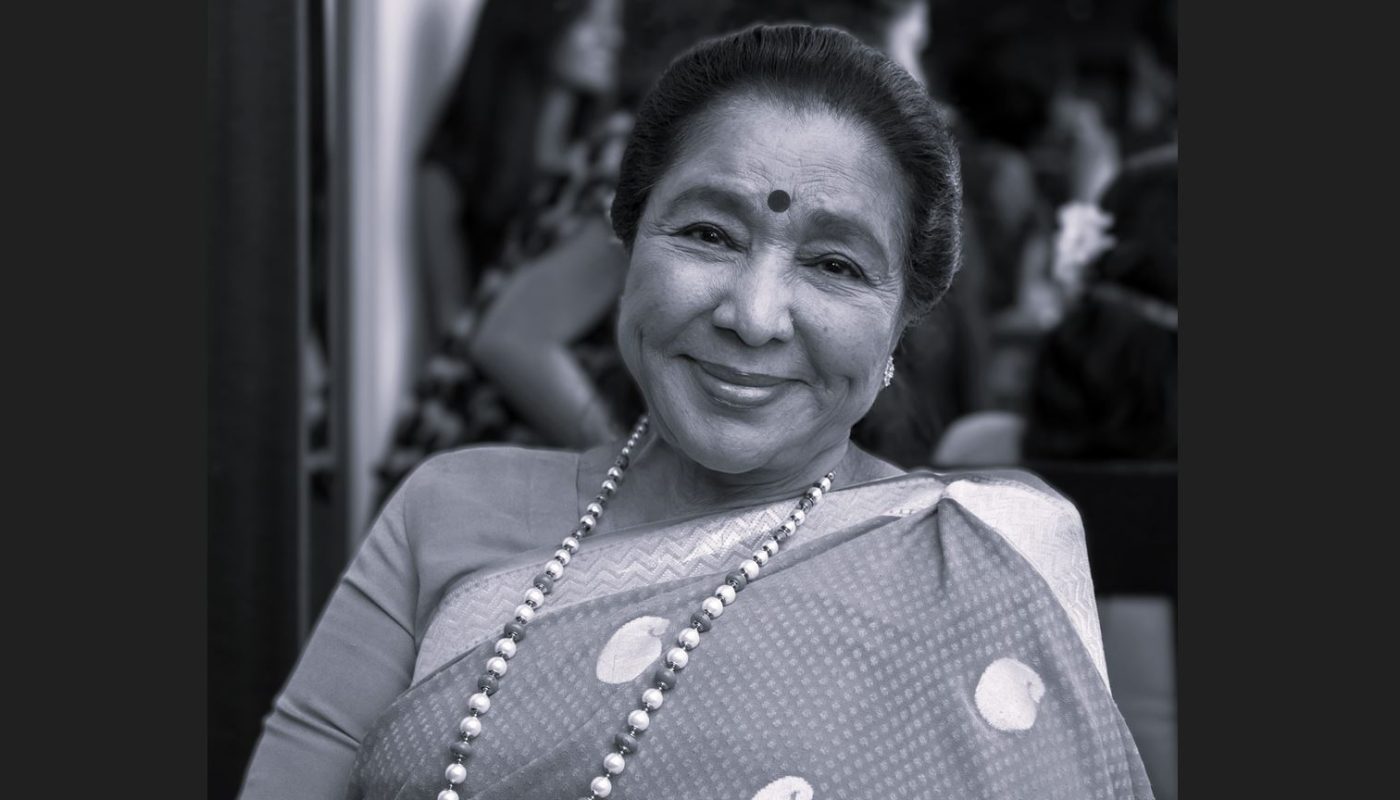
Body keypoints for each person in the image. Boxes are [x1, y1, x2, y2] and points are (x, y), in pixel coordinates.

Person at [239, 25, 1154, 800]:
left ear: (901, 323)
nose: (753, 316)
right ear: (626, 243)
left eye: (834, 265)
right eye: (709, 234)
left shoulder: (973, 570)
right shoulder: (449, 510)